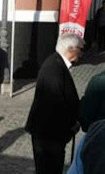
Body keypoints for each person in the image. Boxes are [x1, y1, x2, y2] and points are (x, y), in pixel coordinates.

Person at [25, 33, 84, 174]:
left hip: (50, 135)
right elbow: (55, 106)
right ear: (71, 49)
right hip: (49, 136)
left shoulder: (57, 63)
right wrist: (70, 128)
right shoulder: (54, 68)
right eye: (80, 49)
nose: (82, 54)